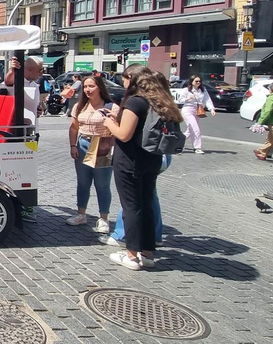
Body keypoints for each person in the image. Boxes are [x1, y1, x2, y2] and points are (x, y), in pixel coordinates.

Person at [102, 64, 183, 271]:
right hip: (151, 158)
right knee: (146, 205)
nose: (123, 82)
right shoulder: (156, 101)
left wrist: (108, 122)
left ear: (131, 78)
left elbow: (123, 134)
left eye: (124, 78)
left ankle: (131, 255)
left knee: (131, 207)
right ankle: (147, 254)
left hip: (130, 160)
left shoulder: (135, 102)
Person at [67, 76, 118, 233]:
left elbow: (117, 129)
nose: (88, 90)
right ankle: (81, 214)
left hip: (103, 145)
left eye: (91, 86)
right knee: (83, 182)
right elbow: (74, 127)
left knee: (102, 184)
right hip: (83, 143)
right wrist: (73, 145)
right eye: (86, 86)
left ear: (100, 88)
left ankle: (103, 218)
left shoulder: (112, 107)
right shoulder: (80, 106)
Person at [5, 56, 44, 223]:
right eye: (40, 70)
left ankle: (26, 205)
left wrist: (40, 108)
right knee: (22, 168)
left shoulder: (34, 84)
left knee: (28, 167)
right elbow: (8, 81)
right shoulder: (18, 80)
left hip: (32, 130)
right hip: (20, 132)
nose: (42, 73)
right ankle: (24, 205)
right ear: (29, 70)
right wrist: (13, 69)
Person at [175, 75, 215, 154]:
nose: (198, 83)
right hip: (188, 110)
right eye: (196, 81)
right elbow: (180, 100)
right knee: (195, 129)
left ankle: (177, 143)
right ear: (192, 82)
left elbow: (207, 100)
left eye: (199, 81)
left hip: (197, 111)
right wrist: (189, 98)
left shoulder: (203, 90)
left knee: (190, 130)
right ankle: (197, 147)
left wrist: (211, 109)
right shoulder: (186, 90)